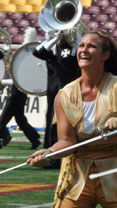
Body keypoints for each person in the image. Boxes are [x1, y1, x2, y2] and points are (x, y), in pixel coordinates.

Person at [27, 30, 117, 208]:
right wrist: (49, 153)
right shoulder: (64, 95)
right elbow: (67, 141)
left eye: (91, 46)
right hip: (77, 176)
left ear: (105, 55)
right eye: (82, 46)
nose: (84, 50)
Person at [33, 35, 81, 169]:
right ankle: (49, 158)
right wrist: (55, 37)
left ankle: (59, 157)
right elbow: (37, 52)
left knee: (64, 126)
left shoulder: (73, 48)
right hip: (53, 91)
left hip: (69, 92)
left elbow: (76, 52)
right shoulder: (52, 48)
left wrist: (76, 36)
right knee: (50, 124)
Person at [0, 81, 41, 150]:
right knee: (20, 120)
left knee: (3, 120)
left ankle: (5, 136)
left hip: (15, 95)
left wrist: (3, 82)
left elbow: (15, 80)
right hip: (20, 94)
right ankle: (34, 140)